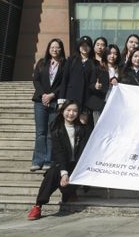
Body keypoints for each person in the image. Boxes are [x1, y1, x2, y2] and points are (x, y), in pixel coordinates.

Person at [27, 100, 92, 220]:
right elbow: (59, 153)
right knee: (52, 173)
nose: (71, 113)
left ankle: (69, 192)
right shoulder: (56, 128)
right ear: (62, 111)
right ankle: (38, 205)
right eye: (68, 110)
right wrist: (64, 173)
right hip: (62, 163)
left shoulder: (82, 128)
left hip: (77, 166)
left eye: (75, 111)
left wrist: (85, 125)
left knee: (71, 177)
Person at [30, 38, 66, 171]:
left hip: (55, 102)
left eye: (57, 47)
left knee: (51, 132)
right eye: (52, 47)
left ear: (61, 49)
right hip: (40, 101)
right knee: (40, 132)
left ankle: (48, 160)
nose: (54, 50)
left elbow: (64, 83)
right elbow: (36, 80)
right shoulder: (42, 62)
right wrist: (44, 95)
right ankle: (37, 160)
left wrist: (52, 95)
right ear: (48, 49)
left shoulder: (65, 64)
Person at [59, 36, 94, 124]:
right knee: (70, 123)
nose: (85, 48)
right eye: (82, 45)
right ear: (79, 47)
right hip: (71, 97)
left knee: (83, 124)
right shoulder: (71, 60)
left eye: (87, 45)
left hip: (86, 99)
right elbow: (65, 79)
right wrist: (61, 99)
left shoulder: (93, 62)